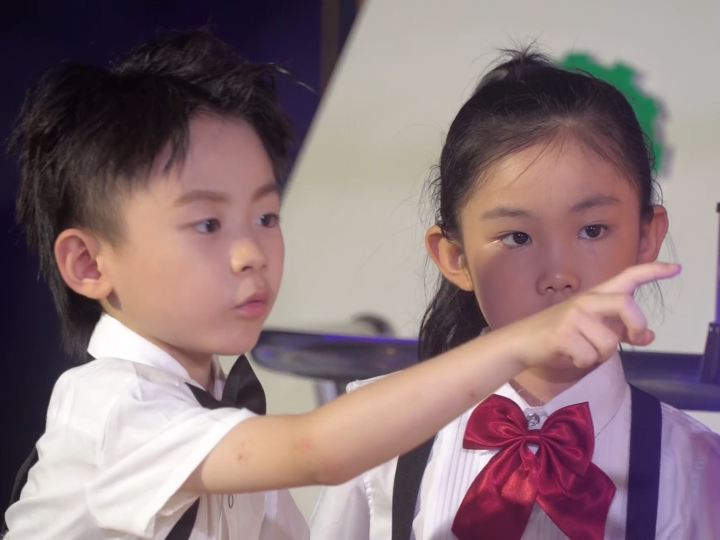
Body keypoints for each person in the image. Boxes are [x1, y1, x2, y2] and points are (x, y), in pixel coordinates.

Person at [2, 32, 678, 540]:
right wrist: (521, 342)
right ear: (88, 264)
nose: (251, 253)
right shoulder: (110, 407)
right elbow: (317, 450)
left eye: (266, 216)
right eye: (207, 223)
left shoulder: (224, 416)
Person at [309, 49, 720, 540]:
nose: (559, 275)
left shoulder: (697, 470)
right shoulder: (375, 433)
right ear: (455, 257)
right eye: (517, 237)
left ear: (646, 238)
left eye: (592, 230)